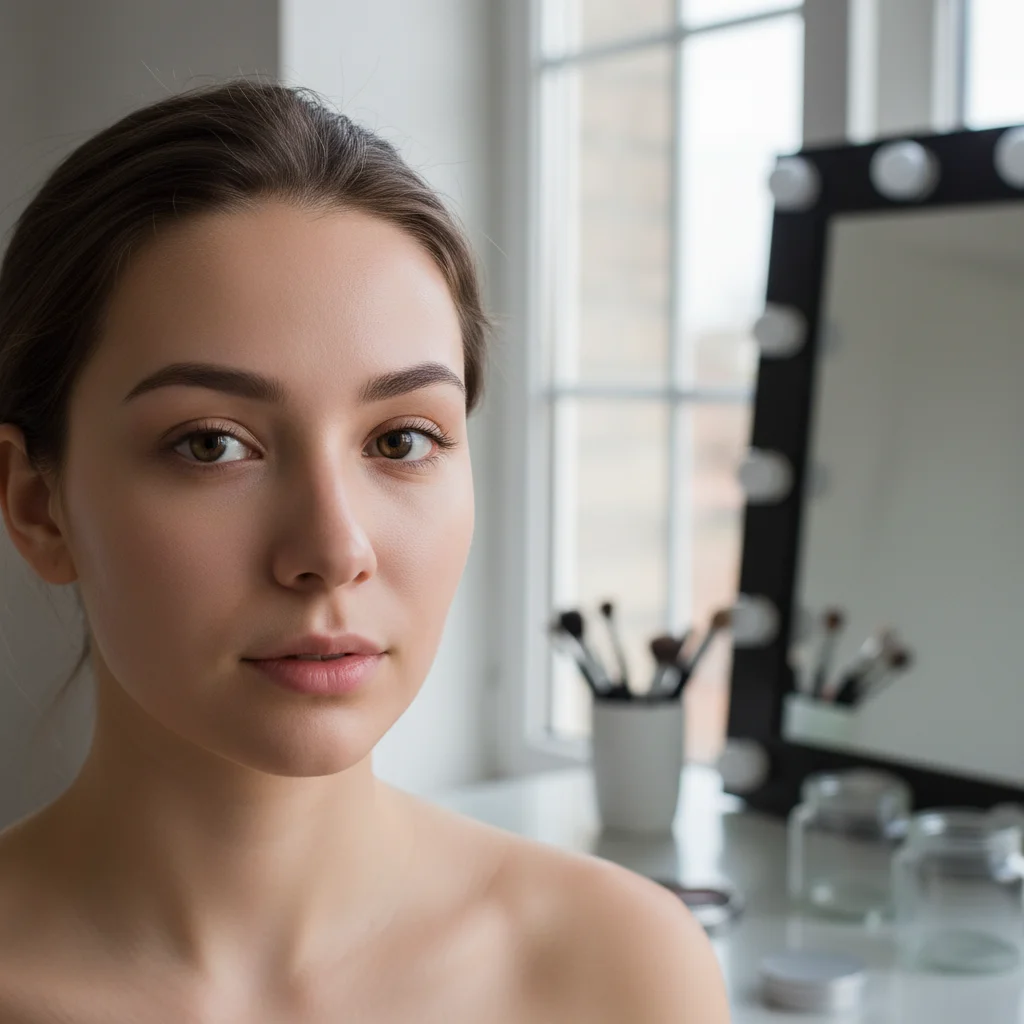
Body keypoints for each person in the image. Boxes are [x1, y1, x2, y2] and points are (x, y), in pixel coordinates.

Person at [0, 79, 730, 1022]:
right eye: (212, 443)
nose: (334, 550)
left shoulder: (619, 971)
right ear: (35, 506)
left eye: (401, 441)